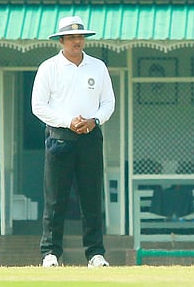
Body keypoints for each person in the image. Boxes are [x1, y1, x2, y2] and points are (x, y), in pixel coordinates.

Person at [31, 16, 115, 267]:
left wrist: (94, 120)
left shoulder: (97, 67)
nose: (77, 41)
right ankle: (50, 253)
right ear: (61, 40)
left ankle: (95, 254)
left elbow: (108, 103)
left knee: (91, 197)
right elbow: (38, 106)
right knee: (56, 198)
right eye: (71, 37)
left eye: (80, 37)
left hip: (90, 136)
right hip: (60, 137)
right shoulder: (49, 68)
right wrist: (68, 122)